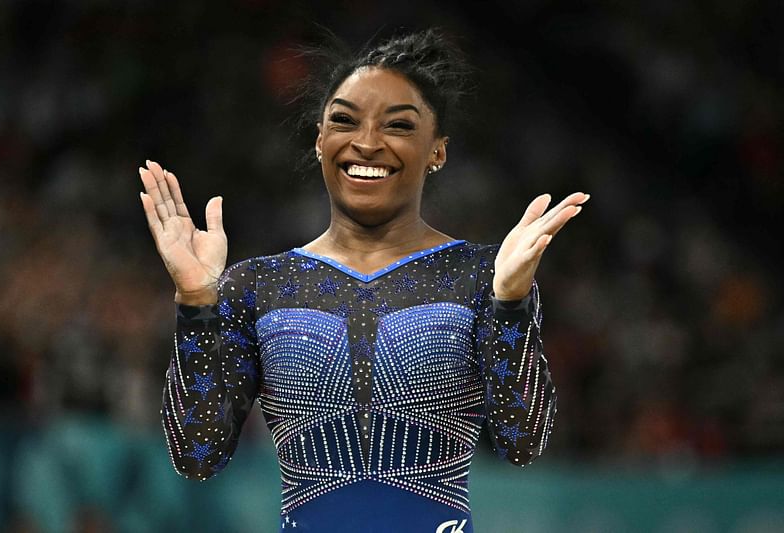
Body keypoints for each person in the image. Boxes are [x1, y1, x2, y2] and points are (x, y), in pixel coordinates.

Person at [139, 28, 588, 533]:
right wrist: (197, 304)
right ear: (319, 141)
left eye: (398, 125)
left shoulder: (482, 275)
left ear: (437, 150)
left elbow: (522, 443)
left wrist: (511, 304)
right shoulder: (259, 285)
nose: (367, 142)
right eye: (344, 121)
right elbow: (198, 456)